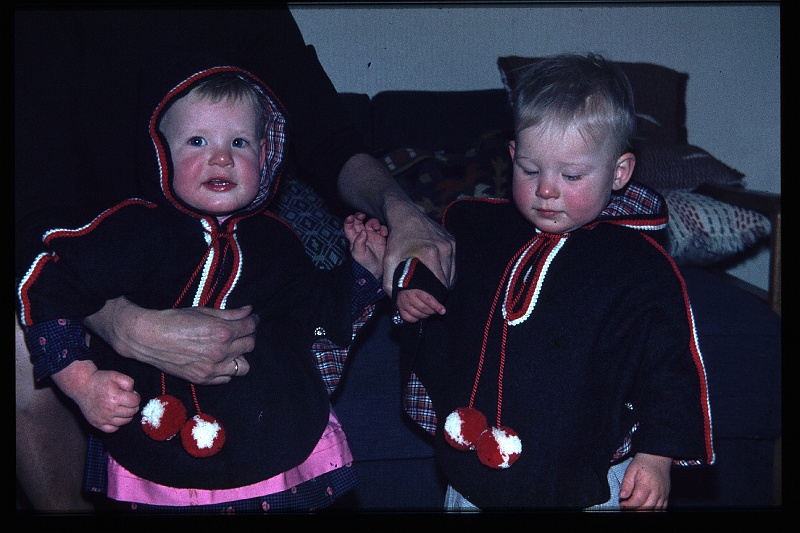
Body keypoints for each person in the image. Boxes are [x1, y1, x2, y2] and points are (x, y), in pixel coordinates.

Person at [15, 8, 449, 511]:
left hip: (262, 447)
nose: (220, 158)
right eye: (198, 142)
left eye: (238, 144)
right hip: (86, 252)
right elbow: (45, 261)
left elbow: (317, 306)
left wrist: (368, 266)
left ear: (265, 156)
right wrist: (107, 341)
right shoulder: (129, 231)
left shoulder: (276, 242)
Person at [392, 53, 715, 510]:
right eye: (530, 169)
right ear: (511, 156)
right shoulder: (480, 228)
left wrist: (657, 454)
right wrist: (413, 291)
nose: (546, 189)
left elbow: (667, 364)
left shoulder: (639, 268)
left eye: (572, 175)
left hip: (592, 479)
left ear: (619, 172)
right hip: (474, 475)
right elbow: (442, 273)